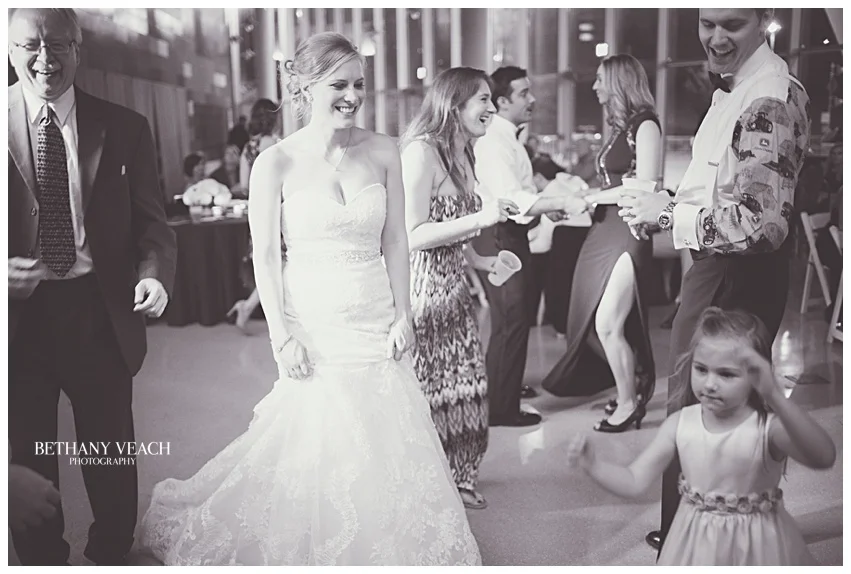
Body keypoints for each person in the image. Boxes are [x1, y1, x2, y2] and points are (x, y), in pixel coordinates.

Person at [139, 32, 481, 566]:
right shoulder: (274, 162)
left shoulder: (384, 150)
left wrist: (404, 314)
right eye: (338, 85)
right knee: (315, 434)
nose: (352, 96)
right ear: (303, 87)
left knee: (385, 430)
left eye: (359, 84)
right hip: (314, 323)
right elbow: (265, 257)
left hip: (375, 316)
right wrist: (281, 336)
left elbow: (395, 239)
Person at [616, 9, 812, 552]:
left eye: (733, 24)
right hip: (726, 270)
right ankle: (713, 533)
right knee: (715, 410)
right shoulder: (745, 87)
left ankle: (699, 541)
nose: (716, 37)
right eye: (707, 23)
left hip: (734, 275)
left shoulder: (766, 96)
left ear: (764, 19)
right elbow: (724, 191)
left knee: (700, 407)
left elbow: (760, 224)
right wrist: (669, 205)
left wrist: (666, 215)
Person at [8, 8, 176, 565]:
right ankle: (41, 560)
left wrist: (153, 274)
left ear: (78, 49)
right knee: (28, 452)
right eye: (29, 45)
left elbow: (152, 223)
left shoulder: (125, 126)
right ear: (9, 51)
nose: (44, 59)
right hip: (18, 320)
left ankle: (111, 552)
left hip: (97, 310)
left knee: (109, 448)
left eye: (57, 44)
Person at [567, 307, 835, 565]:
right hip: (695, 546)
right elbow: (635, 480)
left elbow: (823, 456)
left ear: (756, 375)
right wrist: (594, 466)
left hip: (758, 547)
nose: (710, 384)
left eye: (726, 374)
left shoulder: (767, 429)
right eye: (701, 369)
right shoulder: (680, 424)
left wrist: (774, 395)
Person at [401, 67, 518, 511]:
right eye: (483, 99)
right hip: (422, 295)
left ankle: (460, 475)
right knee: (430, 391)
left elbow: (453, 230)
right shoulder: (421, 153)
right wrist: (481, 219)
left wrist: (481, 260)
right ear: (454, 104)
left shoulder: (464, 152)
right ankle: (427, 483)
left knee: (466, 387)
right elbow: (412, 234)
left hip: (455, 290)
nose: (493, 108)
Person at [541, 54, 660, 433]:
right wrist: (585, 196)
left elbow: (646, 186)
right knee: (590, 320)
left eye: (600, 79)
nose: (594, 87)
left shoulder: (646, 126)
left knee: (608, 322)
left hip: (626, 230)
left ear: (619, 82)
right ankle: (629, 387)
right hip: (605, 228)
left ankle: (628, 403)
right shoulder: (621, 127)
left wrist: (589, 197)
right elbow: (612, 183)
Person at [472, 65, 589, 427]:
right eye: (524, 93)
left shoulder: (508, 137)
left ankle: (503, 390)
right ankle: (500, 408)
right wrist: (560, 202)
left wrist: (544, 206)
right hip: (499, 236)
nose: (532, 99)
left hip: (509, 234)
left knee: (514, 319)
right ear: (502, 102)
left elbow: (522, 193)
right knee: (510, 320)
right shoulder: (494, 141)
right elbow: (512, 199)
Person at [227, 98, 282, 331]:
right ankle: (250, 307)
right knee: (283, 264)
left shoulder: (249, 148)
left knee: (269, 263)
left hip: (259, 212)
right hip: (280, 211)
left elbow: (244, 186)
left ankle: (248, 306)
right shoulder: (280, 145)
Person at [525, 156, 589, 337]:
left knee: (534, 264)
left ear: (538, 177)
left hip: (564, 241)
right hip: (584, 239)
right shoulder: (568, 183)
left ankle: (536, 318)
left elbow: (544, 240)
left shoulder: (549, 194)